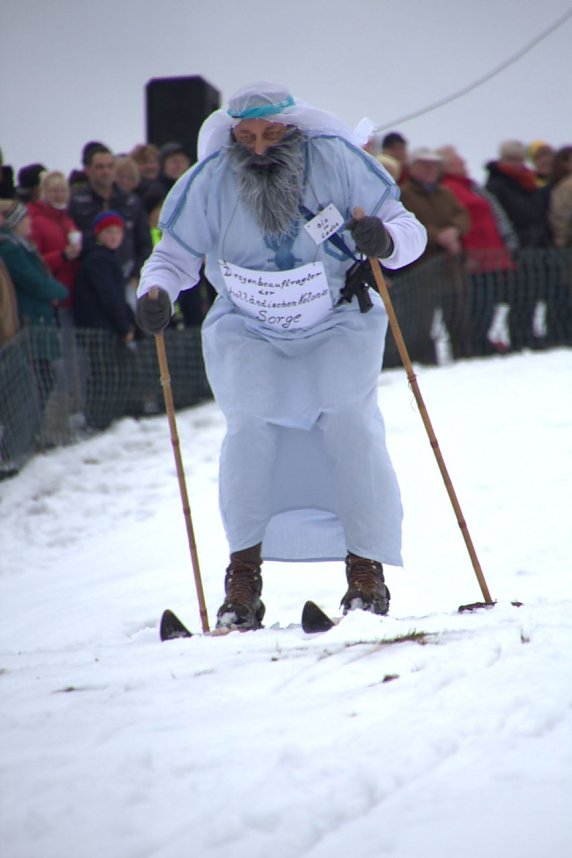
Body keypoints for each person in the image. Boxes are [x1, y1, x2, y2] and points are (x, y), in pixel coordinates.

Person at [135, 81, 427, 630]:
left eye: (271, 134)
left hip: (337, 320)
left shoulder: (338, 162)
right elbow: (171, 257)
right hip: (249, 329)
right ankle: (242, 582)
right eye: (246, 137)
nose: (261, 148)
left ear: (293, 127)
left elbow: (411, 231)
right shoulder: (210, 181)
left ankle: (365, 575)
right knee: (248, 429)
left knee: (349, 422)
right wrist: (154, 295)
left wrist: (383, 239)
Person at [437, 145, 517, 355]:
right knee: (478, 304)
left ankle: (484, 342)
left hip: (492, 255)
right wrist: (469, 251)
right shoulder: (450, 188)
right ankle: (476, 345)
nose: (464, 164)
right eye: (459, 162)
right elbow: (463, 221)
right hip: (476, 258)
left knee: (489, 302)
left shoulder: (471, 186)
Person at [399, 147, 471, 362]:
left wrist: (455, 231)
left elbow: (463, 215)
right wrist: (436, 236)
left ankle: (464, 357)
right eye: (425, 165)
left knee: (458, 315)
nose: (431, 170)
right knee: (422, 319)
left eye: (434, 165)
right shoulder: (403, 194)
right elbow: (407, 223)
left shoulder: (445, 193)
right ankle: (426, 362)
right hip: (421, 268)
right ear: (413, 167)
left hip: (450, 267)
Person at [0, 201, 68, 407]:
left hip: (38, 318)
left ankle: (33, 431)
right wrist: (59, 292)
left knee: (45, 378)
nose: (30, 222)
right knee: (38, 380)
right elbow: (34, 282)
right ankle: (29, 432)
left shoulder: (23, 247)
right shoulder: (11, 249)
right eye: (25, 218)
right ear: (16, 223)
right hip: (29, 319)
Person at [68, 143, 153, 307]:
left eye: (110, 166)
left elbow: (144, 243)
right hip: (91, 283)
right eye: (99, 167)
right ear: (88, 170)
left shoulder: (131, 201)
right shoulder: (76, 201)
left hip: (128, 280)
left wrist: (137, 274)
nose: (106, 171)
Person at [74, 211, 136, 429]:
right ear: (98, 234)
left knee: (107, 372)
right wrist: (124, 326)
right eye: (109, 231)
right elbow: (108, 296)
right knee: (103, 374)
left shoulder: (107, 257)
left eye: (118, 231)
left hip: (107, 327)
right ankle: (98, 419)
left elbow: (117, 296)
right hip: (99, 328)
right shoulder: (97, 259)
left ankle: (104, 418)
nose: (114, 236)